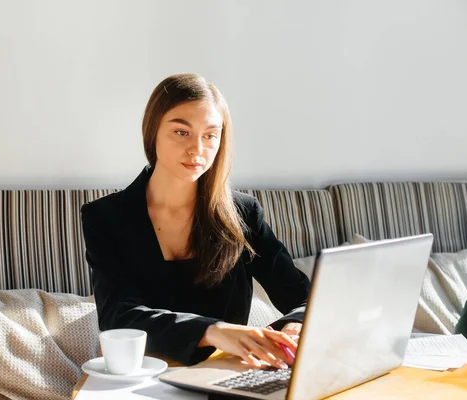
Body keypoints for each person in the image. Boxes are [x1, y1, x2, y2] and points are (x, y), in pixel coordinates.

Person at [81, 73, 310, 369]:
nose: (198, 150)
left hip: (229, 374)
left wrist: (294, 326)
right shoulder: (105, 216)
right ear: (152, 132)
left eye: (210, 135)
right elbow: (119, 317)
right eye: (181, 132)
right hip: (145, 374)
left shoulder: (243, 212)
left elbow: (302, 296)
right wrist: (212, 331)